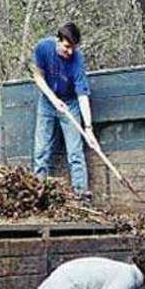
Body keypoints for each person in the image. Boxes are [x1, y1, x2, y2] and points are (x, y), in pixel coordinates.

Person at [32, 22, 99, 197]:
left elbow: (82, 95)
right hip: (47, 101)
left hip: (70, 102)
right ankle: (39, 193)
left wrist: (89, 128)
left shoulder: (77, 60)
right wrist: (54, 100)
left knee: (75, 152)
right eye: (67, 47)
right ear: (58, 41)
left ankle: (81, 195)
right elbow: (38, 76)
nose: (70, 52)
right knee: (41, 150)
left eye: (73, 48)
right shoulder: (42, 48)